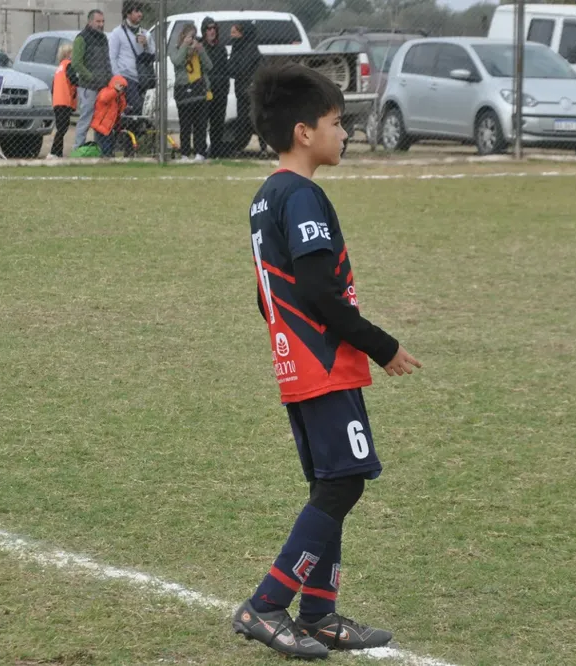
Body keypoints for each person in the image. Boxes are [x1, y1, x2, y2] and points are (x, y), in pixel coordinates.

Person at [232, 62, 421, 660]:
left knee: (332, 483)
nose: (346, 134)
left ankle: (317, 613)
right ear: (304, 132)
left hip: (299, 366)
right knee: (342, 484)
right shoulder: (303, 195)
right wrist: (381, 345)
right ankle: (266, 603)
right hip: (323, 365)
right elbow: (318, 291)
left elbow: (267, 295)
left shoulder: (266, 198)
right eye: (338, 123)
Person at [170, 23, 213, 162]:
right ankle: (185, 154)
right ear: (183, 36)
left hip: (199, 90)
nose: (192, 39)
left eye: (194, 36)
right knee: (185, 124)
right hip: (184, 91)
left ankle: (200, 152)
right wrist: (184, 45)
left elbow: (209, 66)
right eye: (190, 36)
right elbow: (177, 62)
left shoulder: (198, 51)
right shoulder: (176, 49)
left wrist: (201, 50)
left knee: (200, 124)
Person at [72, 9, 111, 149]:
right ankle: (78, 149)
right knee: (86, 119)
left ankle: (99, 149)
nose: (101, 24)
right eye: (98, 21)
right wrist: (91, 77)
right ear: (90, 22)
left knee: (101, 120)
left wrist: (109, 79)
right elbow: (76, 63)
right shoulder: (81, 38)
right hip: (88, 87)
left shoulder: (103, 38)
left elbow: (107, 61)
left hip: (104, 87)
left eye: (103, 21)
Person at [108, 0, 154, 114]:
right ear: (128, 14)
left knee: (146, 110)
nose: (140, 14)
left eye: (141, 11)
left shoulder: (145, 33)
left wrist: (146, 44)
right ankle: (128, 130)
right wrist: (118, 79)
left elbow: (153, 55)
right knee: (136, 108)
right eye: (136, 11)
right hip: (127, 78)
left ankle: (136, 130)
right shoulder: (117, 33)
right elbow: (112, 58)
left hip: (143, 79)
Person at [229, 22, 262, 151]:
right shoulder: (236, 47)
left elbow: (243, 68)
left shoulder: (251, 48)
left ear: (243, 34)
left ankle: (263, 148)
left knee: (255, 118)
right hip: (240, 90)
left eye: (234, 33)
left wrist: (236, 68)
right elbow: (231, 68)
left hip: (250, 90)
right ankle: (238, 147)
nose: (232, 36)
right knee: (241, 119)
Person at [201, 17, 229, 158]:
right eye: (209, 28)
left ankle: (216, 151)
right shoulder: (200, 47)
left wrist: (224, 89)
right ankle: (201, 150)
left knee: (218, 122)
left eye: (214, 28)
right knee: (202, 122)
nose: (212, 31)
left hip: (220, 91)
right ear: (204, 30)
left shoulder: (221, 48)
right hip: (204, 90)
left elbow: (225, 70)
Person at [49, 44, 77, 159]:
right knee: (62, 128)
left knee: (61, 127)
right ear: (67, 55)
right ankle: (54, 152)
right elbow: (74, 79)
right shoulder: (68, 65)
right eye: (72, 53)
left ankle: (58, 152)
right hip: (64, 100)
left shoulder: (59, 67)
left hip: (57, 101)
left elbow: (53, 86)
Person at [91, 75, 128, 157]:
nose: (122, 89)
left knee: (109, 142)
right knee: (105, 143)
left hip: (109, 126)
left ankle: (107, 156)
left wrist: (121, 97)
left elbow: (121, 108)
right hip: (101, 125)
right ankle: (106, 156)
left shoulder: (119, 97)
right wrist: (115, 90)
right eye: (121, 86)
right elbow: (104, 98)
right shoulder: (106, 91)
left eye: (123, 87)